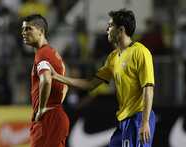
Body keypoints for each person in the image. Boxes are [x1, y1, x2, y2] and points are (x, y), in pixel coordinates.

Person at [50, 9, 156, 147]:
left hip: (138, 117)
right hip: (124, 120)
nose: (107, 29)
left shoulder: (140, 52)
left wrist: (145, 121)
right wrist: (57, 77)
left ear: (121, 29)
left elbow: (148, 88)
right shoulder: (113, 57)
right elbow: (90, 84)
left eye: (110, 25)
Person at [21, 14, 69, 147]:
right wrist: (56, 104)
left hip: (49, 119)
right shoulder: (53, 53)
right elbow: (65, 86)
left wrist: (42, 108)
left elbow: (46, 80)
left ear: (41, 31)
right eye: (23, 29)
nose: (24, 33)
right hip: (56, 116)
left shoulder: (42, 54)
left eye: (28, 29)